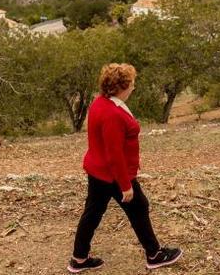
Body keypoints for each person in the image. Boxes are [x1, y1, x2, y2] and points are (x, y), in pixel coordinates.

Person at [68, 63, 182, 273]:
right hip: (112, 175)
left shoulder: (100, 102)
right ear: (121, 86)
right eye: (131, 84)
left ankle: (79, 259)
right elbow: (114, 154)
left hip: (97, 170)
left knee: (92, 213)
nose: (133, 88)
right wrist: (125, 185)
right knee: (139, 207)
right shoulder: (113, 114)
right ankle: (154, 254)